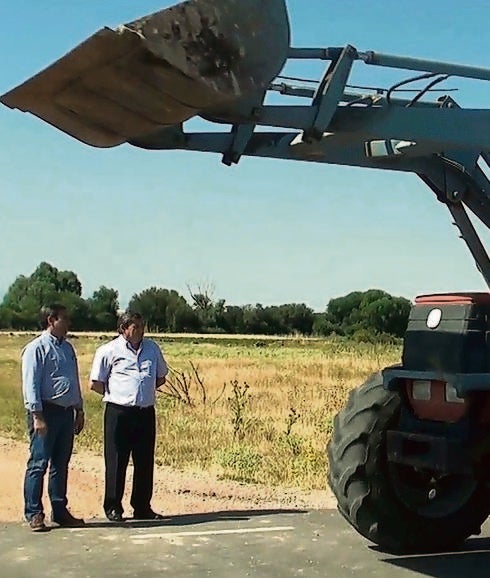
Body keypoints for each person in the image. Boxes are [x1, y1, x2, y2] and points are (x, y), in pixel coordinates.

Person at [89, 311, 169, 522]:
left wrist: (143, 392)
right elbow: (96, 383)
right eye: (136, 327)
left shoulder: (152, 349)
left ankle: (142, 506)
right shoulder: (108, 350)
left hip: (144, 412)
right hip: (119, 412)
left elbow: (161, 377)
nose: (141, 331)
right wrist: (118, 394)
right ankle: (113, 506)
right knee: (116, 460)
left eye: (142, 326)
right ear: (123, 329)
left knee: (144, 461)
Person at [21, 304, 85, 532]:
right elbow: (31, 385)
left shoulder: (67, 349)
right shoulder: (36, 348)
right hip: (45, 411)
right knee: (39, 463)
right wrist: (37, 416)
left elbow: (73, 380)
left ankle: (60, 510)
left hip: (66, 413)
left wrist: (79, 409)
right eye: (64, 319)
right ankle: (34, 512)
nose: (68, 324)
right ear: (51, 320)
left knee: (61, 463)